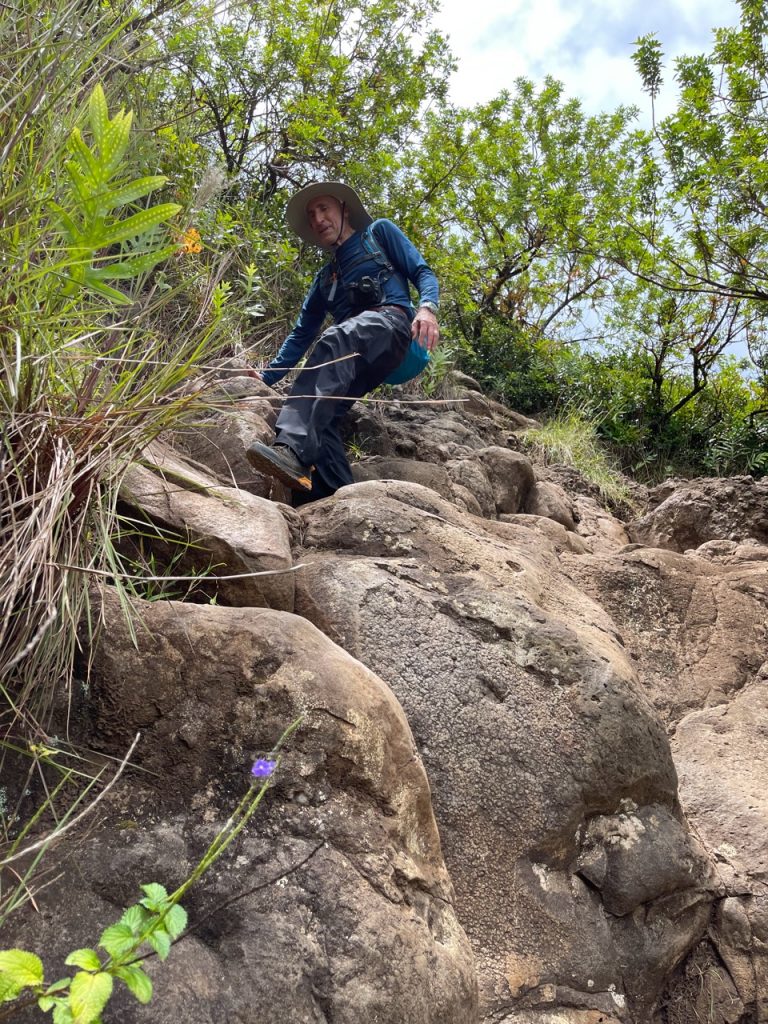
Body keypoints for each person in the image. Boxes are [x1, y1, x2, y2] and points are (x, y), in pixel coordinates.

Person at [246, 181, 440, 505]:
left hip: (392, 327)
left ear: (344, 210)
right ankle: (333, 500)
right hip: (359, 355)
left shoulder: (378, 234)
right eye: (311, 215)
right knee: (327, 415)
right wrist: (266, 377)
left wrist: (427, 308)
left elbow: (422, 272)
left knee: (336, 337)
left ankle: (292, 449)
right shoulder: (324, 280)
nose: (318, 218)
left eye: (324, 209)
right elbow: (300, 335)